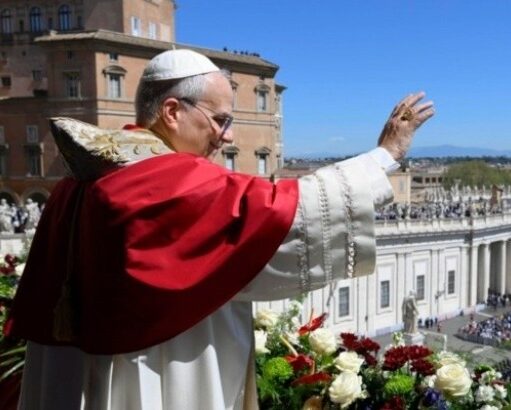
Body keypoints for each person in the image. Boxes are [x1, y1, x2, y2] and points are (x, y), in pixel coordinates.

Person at [6, 49, 434, 409]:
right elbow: (283, 214)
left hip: (79, 374)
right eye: (220, 120)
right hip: (157, 372)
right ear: (173, 111)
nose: (226, 138)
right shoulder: (162, 179)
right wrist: (385, 155)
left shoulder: (83, 176)